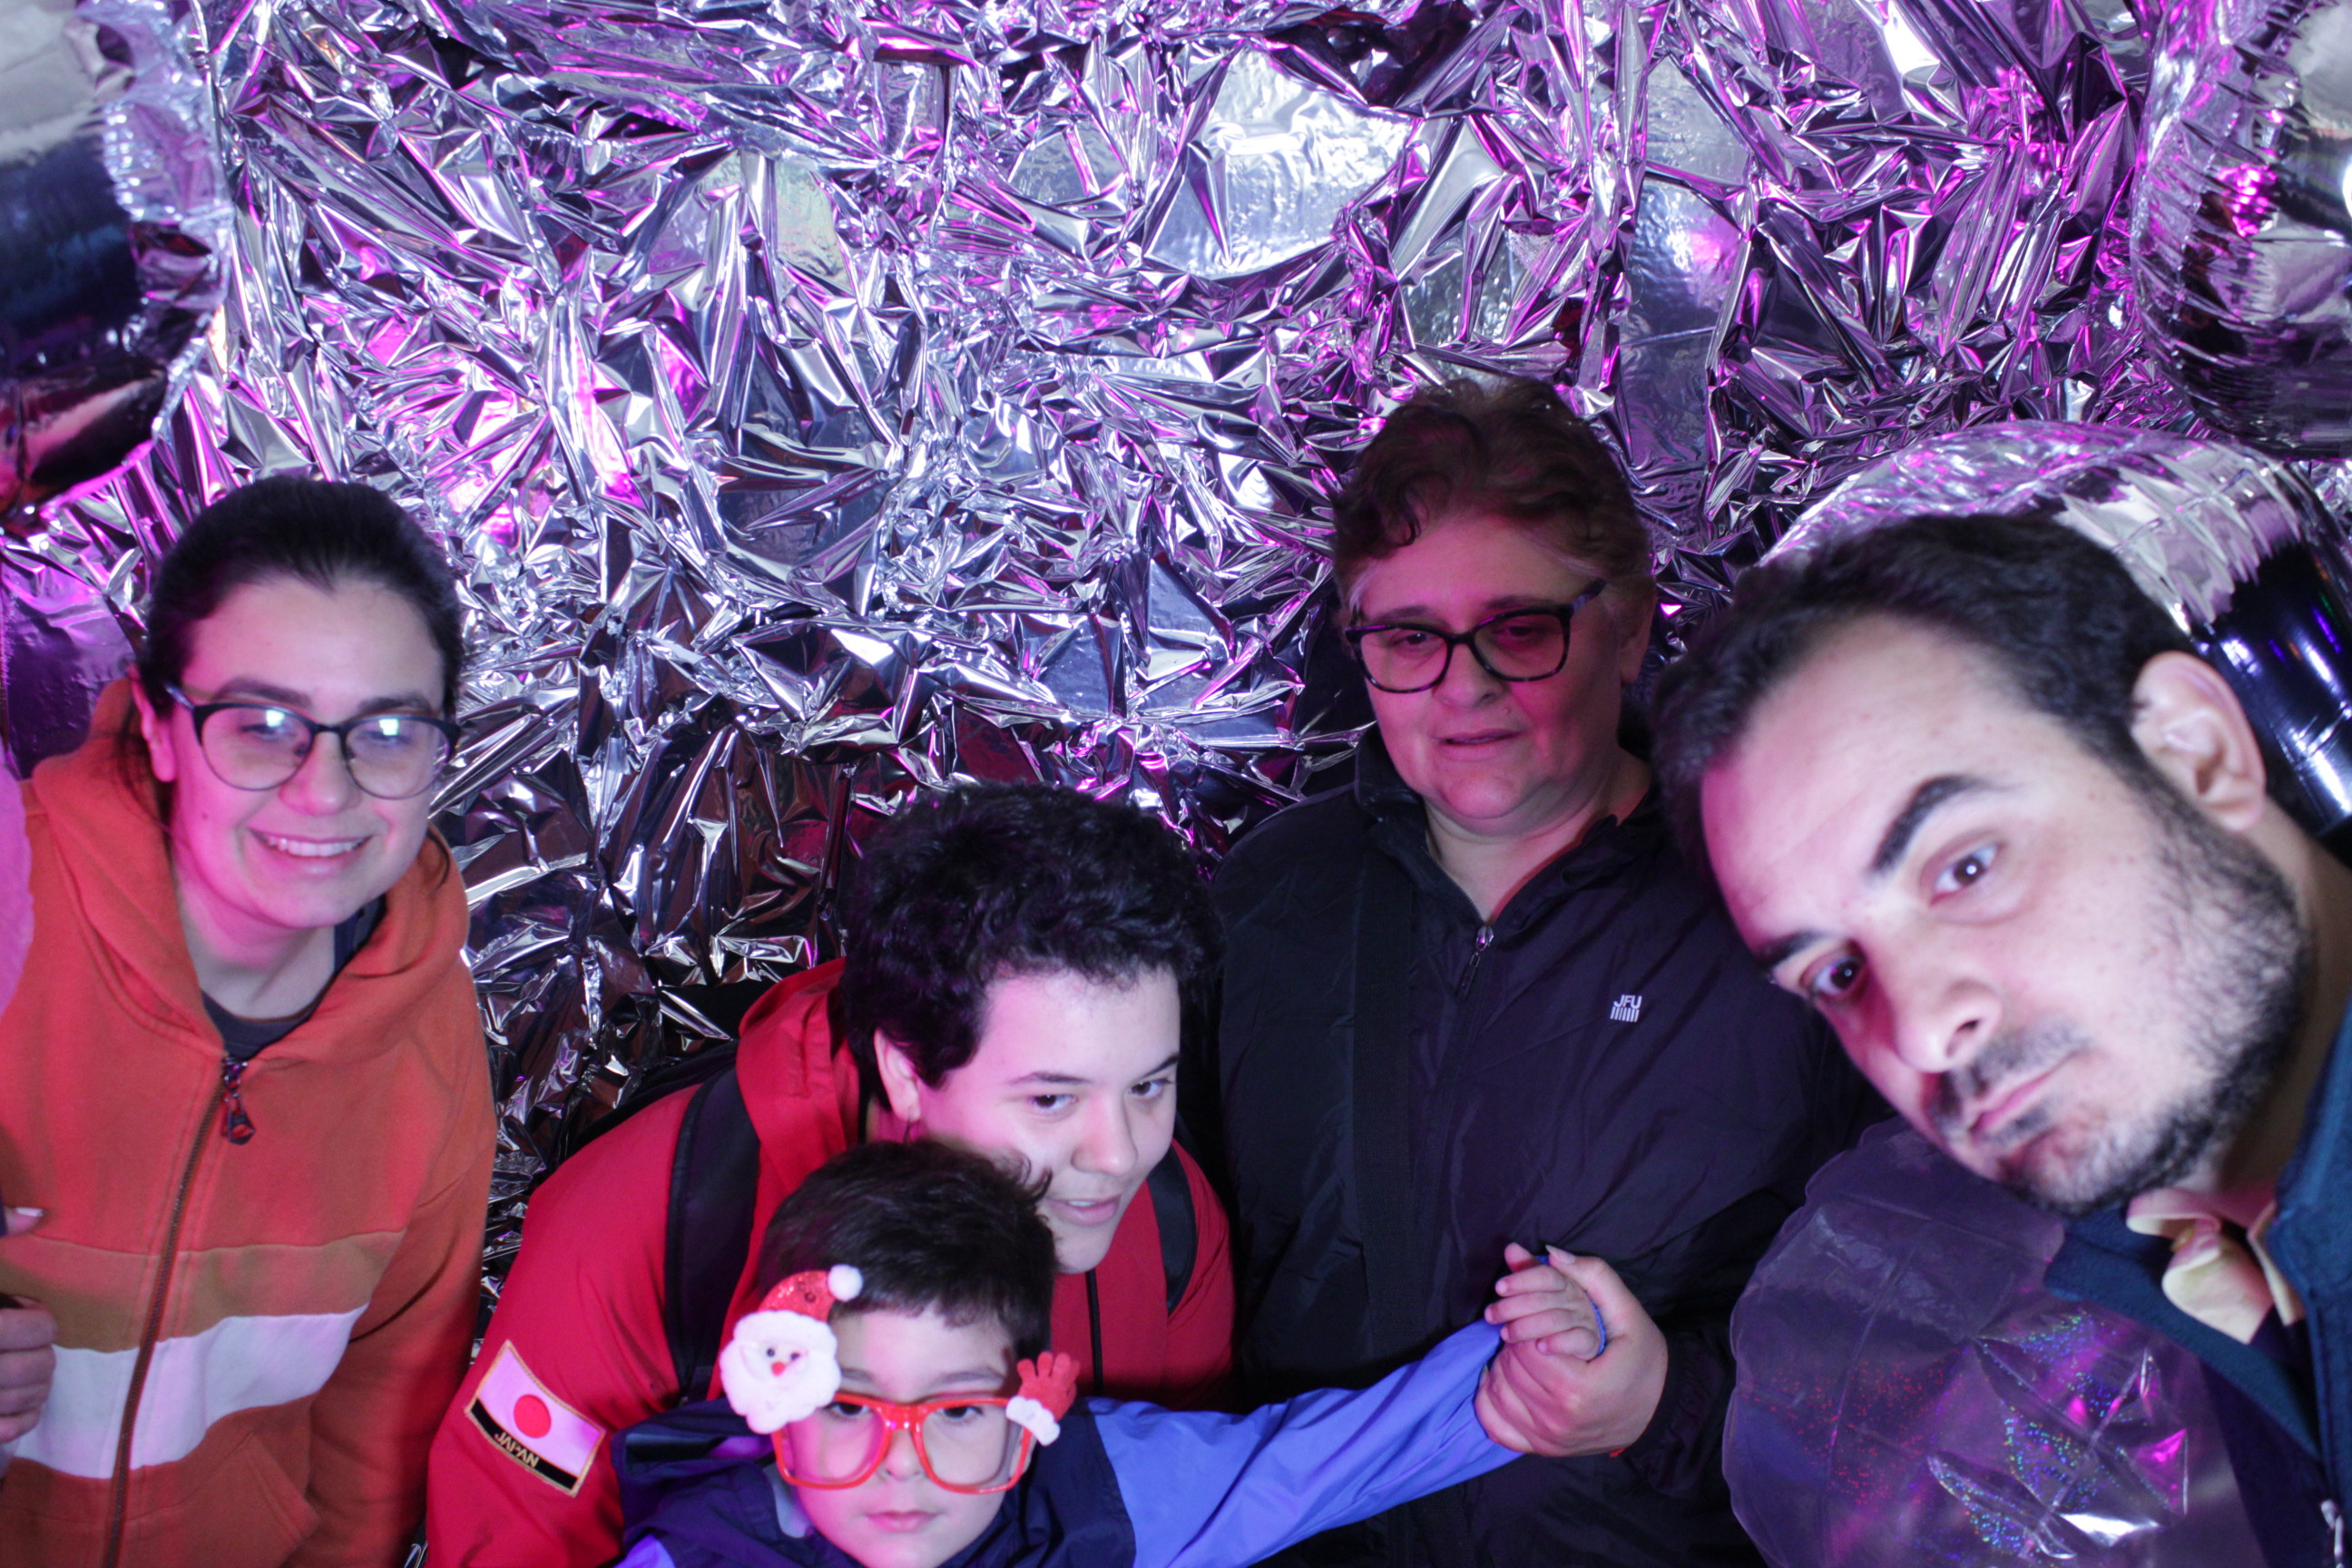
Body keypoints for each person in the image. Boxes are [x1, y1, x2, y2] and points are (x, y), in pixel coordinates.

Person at [1200, 376, 1879, 1564]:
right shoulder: (1269, 900)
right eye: (1409, 639)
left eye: (1520, 629)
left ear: (1629, 625)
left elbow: (1927, 1342)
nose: (1463, 686)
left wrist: (1665, 1403)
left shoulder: (1783, 905)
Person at [1651, 512, 2352, 1568]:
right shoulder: (2201, 1248)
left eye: (1965, 867)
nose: (1923, 1032)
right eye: (1836, 975)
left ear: (2195, 751)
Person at [428, 783, 1236, 1566]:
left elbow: (1175, 1516)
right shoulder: (639, 1231)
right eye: (1052, 1099)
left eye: (1147, 1087)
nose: (1119, 1155)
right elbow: (514, 1539)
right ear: (908, 1071)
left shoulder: (1171, 1223)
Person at [0, 476, 495, 1566]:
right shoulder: (8, 907)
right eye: (262, 726)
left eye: (388, 731)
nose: (325, 791)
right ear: (160, 730)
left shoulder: (433, 1039)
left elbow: (380, 1424)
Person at [612, 1139, 1604, 1568]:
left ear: (1027, 1416)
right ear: (779, 1400)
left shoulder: (1101, 1496)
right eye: (848, 1406)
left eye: (957, 1411)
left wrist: (1531, 1360)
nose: (900, 1464)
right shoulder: (699, 1554)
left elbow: (1313, 1465)